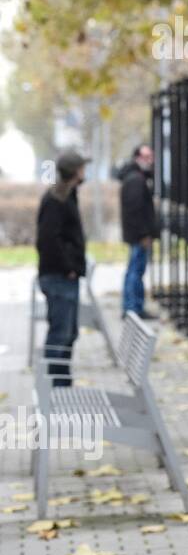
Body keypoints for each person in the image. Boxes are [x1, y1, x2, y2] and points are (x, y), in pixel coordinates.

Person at [36, 150, 89, 387]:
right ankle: (52, 388)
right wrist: (68, 267)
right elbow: (48, 240)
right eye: (82, 168)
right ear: (75, 172)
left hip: (65, 276)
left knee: (68, 334)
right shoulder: (57, 199)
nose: (84, 172)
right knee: (60, 334)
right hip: (59, 277)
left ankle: (62, 384)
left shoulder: (67, 195)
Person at [117, 144, 157, 319]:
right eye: (146, 157)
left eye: (151, 157)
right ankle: (134, 308)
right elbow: (135, 210)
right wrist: (143, 235)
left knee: (133, 270)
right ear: (137, 158)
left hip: (136, 235)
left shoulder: (134, 178)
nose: (150, 161)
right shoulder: (136, 180)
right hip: (138, 236)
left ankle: (130, 308)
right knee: (136, 271)